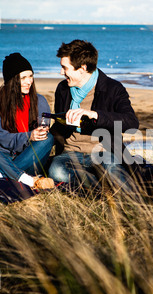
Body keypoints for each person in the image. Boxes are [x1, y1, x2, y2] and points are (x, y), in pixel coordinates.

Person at [48, 40, 139, 193]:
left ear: (82, 68)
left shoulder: (113, 88)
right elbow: (60, 125)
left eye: (64, 68)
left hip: (103, 152)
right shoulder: (63, 88)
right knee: (56, 172)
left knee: (113, 171)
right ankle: (101, 188)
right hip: (70, 153)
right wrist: (43, 133)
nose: (61, 72)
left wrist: (95, 114)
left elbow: (131, 123)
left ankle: (135, 207)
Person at [0, 52, 54, 190]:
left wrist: (40, 133)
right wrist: (28, 136)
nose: (29, 81)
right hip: (0, 158)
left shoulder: (40, 101)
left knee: (48, 139)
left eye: (31, 76)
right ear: (12, 80)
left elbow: (43, 134)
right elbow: (2, 138)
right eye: (23, 77)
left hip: (28, 158)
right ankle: (28, 180)